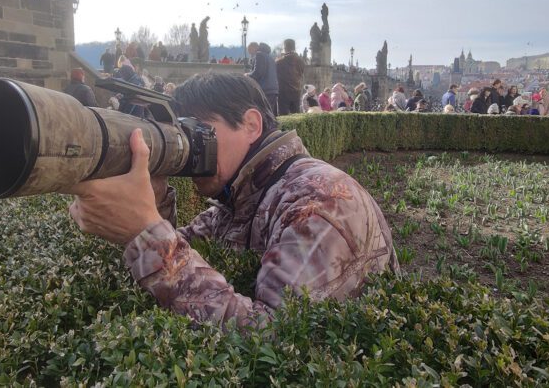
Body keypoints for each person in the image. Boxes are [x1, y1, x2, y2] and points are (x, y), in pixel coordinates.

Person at [65, 73, 400, 328]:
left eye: (198, 131)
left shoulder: (319, 201)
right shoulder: (239, 198)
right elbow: (179, 256)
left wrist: (144, 232)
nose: (188, 148)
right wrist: (152, 205)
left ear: (251, 124)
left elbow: (275, 339)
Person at [246, 42, 280, 114]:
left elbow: (257, 73)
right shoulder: (269, 57)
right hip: (273, 89)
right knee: (271, 114)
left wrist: (247, 75)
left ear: (253, 48)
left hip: (265, 89)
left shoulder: (259, 55)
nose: (251, 55)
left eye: (250, 52)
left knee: (263, 114)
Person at [275, 39, 306, 115]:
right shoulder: (301, 60)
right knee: (296, 115)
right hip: (297, 91)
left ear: (285, 47)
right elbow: (301, 73)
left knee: (283, 116)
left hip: (283, 91)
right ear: (294, 47)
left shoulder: (279, 61)